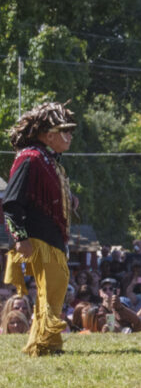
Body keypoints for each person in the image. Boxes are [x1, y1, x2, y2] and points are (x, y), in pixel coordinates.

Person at [4, 102, 79, 356]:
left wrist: (70, 199)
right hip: (38, 240)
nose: (69, 137)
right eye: (64, 131)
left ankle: (45, 341)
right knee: (50, 292)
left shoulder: (48, 161)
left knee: (55, 291)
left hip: (52, 239)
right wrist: (20, 237)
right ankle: (44, 344)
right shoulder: (30, 158)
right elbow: (11, 202)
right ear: (48, 135)